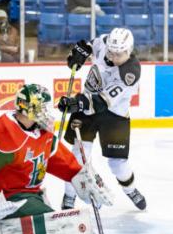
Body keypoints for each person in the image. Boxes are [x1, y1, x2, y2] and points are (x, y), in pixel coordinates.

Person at [0, 84, 112, 234]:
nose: (45, 113)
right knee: (56, 226)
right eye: (41, 108)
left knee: (53, 223)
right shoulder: (6, 132)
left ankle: (3, 231)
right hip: (9, 199)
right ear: (27, 108)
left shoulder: (40, 131)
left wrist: (82, 178)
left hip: (29, 194)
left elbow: (58, 159)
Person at [57, 28, 147, 211]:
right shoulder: (106, 42)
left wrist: (75, 104)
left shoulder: (130, 73)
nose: (113, 57)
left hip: (114, 115)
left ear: (129, 51)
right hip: (86, 110)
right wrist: (81, 51)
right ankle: (69, 195)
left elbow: (101, 103)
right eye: (111, 52)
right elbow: (92, 43)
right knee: (78, 156)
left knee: (118, 164)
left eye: (119, 54)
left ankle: (130, 189)